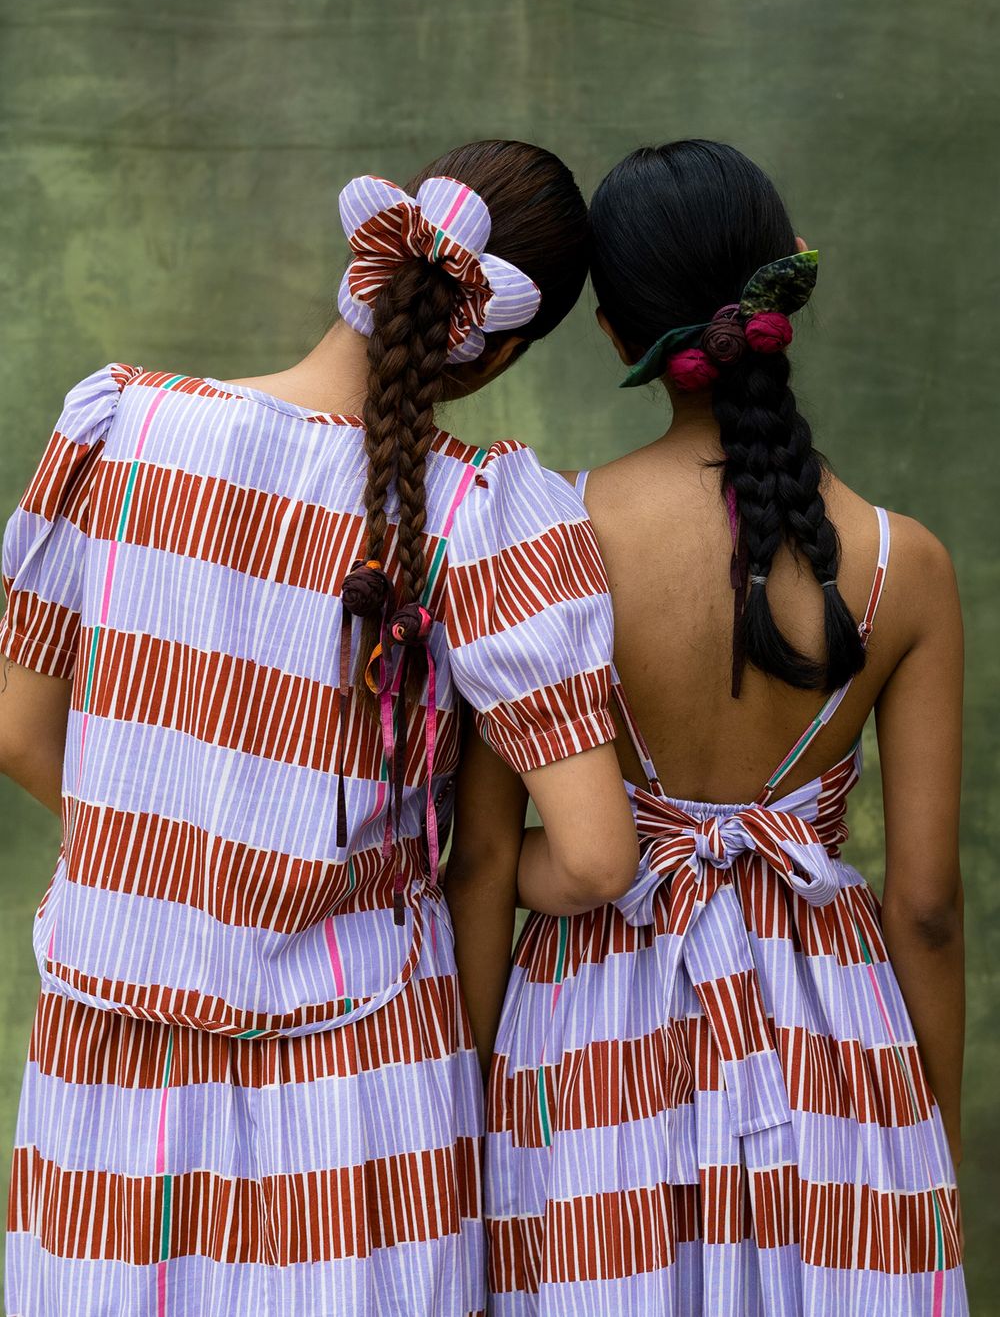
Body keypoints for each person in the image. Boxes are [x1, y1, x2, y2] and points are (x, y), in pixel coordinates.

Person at [0, 139, 638, 1317]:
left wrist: (188, 853)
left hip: (107, 1069)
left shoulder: (120, 429)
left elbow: (22, 732)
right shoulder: (478, 514)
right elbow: (599, 857)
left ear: (368, 263)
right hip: (358, 1087)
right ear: (494, 348)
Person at [450, 140, 968, 1315]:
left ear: (613, 337)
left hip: (587, 1042)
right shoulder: (907, 566)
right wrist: (921, 1143)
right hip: (828, 1046)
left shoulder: (537, 536)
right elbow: (925, 907)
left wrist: (467, 1102)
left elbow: (482, 861)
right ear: (788, 278)